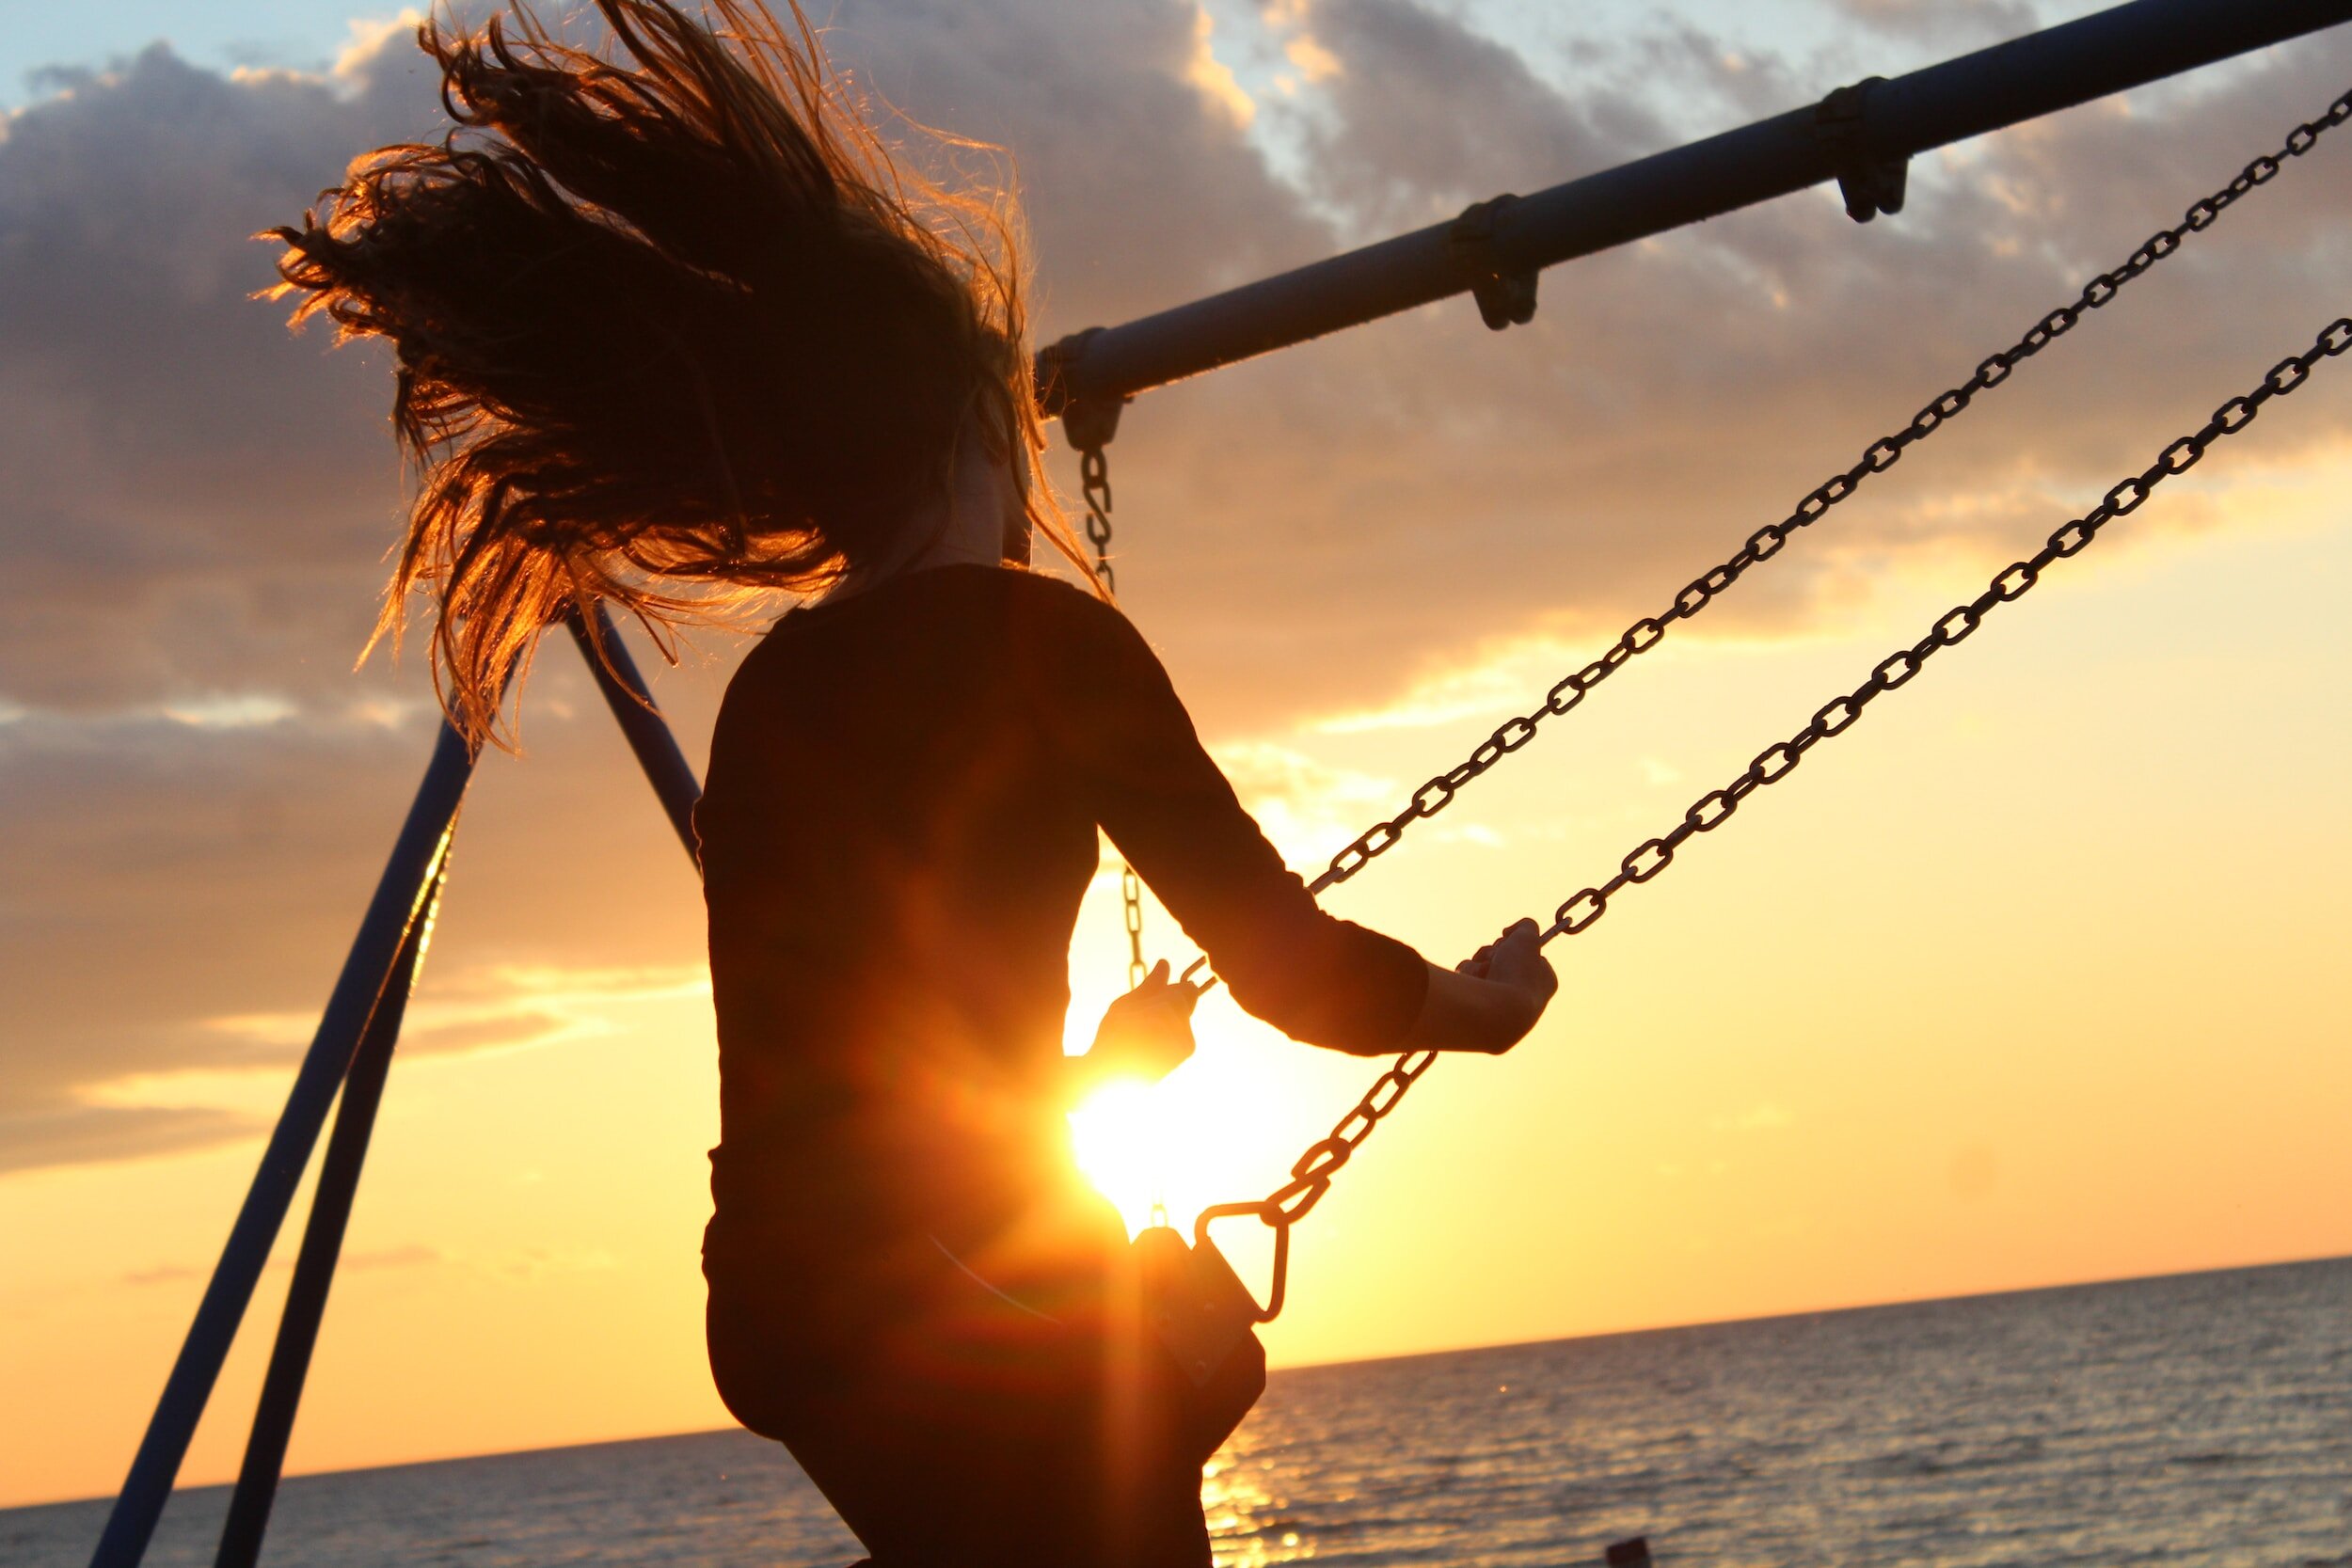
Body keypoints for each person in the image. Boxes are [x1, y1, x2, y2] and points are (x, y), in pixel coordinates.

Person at [270, 4, 1558, 1564]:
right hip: (948, 1292)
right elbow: (1290, 976)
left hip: (780, 1311)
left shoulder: (771, 698)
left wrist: (1099, 1080)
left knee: (1138, 1387)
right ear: (974, 425)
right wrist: (1468, 1013)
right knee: (1190, 1376)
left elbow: (858, 1069)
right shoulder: (1045, 646)